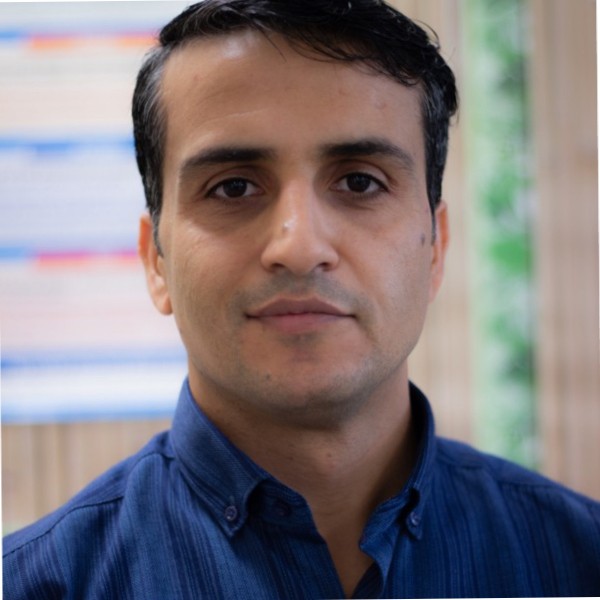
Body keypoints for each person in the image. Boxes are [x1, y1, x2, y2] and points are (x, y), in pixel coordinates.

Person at [3, 0, 600, 597]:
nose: (300, 246)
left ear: (436, 248)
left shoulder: (579, 561)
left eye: (360, 182)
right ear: (155, 260)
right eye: (233, 187)